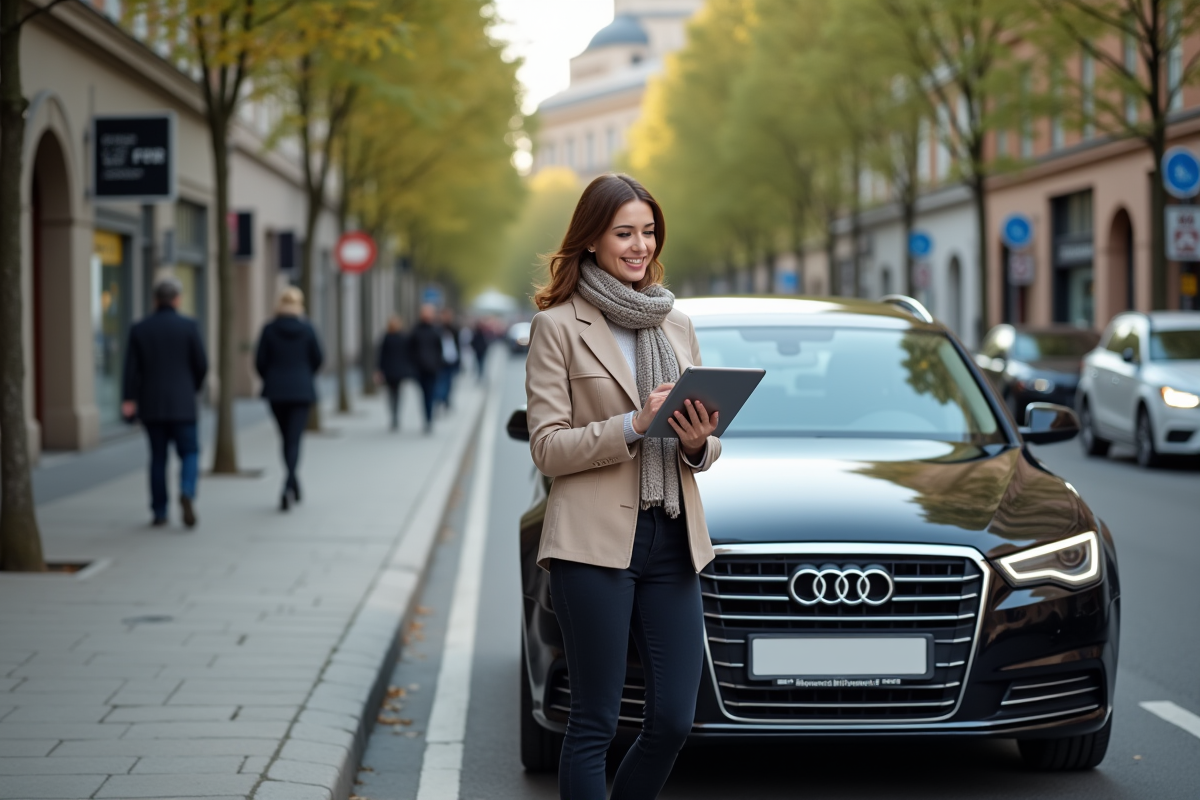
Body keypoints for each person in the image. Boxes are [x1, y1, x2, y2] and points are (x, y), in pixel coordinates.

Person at [525, 173, 721, 800]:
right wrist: (635, 424)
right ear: (591, 241)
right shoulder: (558, 326)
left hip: (672, 540)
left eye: (648, 231)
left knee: (671, 721)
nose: (641, 245)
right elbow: (548, 448)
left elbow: (707, 445)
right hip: (592, 545)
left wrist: (695, 441)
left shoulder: (676, 323)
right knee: (594, 723)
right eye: (624, 233)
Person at [121, 276, 208, 528]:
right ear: (177, 299)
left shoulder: (140, 328)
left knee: (158, 458)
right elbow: (201, 364)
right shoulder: (189, 326)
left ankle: (160, 511)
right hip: (183, 403)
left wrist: (129, 399)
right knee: (190, 452)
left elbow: (130, 369)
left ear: (155, 300)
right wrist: (193, 388)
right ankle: (187, 490)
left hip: (152, 403)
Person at [255, 287, 323, 511]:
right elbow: (319, 358)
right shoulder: (307, 328)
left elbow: (260, 361)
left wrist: (272, 377)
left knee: (285, 437)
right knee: (293, 439)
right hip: (301, 390)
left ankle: (291, 482)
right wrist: (304, 375)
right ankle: (289, 483)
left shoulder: (269, 329)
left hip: (276, 391)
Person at [408, 304, 444, 434]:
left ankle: (429, 419)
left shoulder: (436, 330)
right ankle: (427, 418)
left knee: (431, 394)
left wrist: (438, 364)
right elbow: (410, 350)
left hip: (432, 369)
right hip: (420, 369)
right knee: (424, 395)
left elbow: (440, 349)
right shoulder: (415, 331)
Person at [376, 316, 411, 431]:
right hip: (396, 371)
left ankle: (394, 415)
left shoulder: (388, 337)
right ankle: (395, 415)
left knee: (391, 394)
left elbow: (381, 356)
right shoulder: (401, 337)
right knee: (396, 394)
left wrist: (379, 370)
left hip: (390, 371)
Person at [434, 307, 461, 411]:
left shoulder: (454, 329)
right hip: (440, 361)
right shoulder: (437, 329)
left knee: (449, 382)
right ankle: (441, 399)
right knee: (441, 382)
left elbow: (458, 345)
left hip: (451, 361)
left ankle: (446, 400)